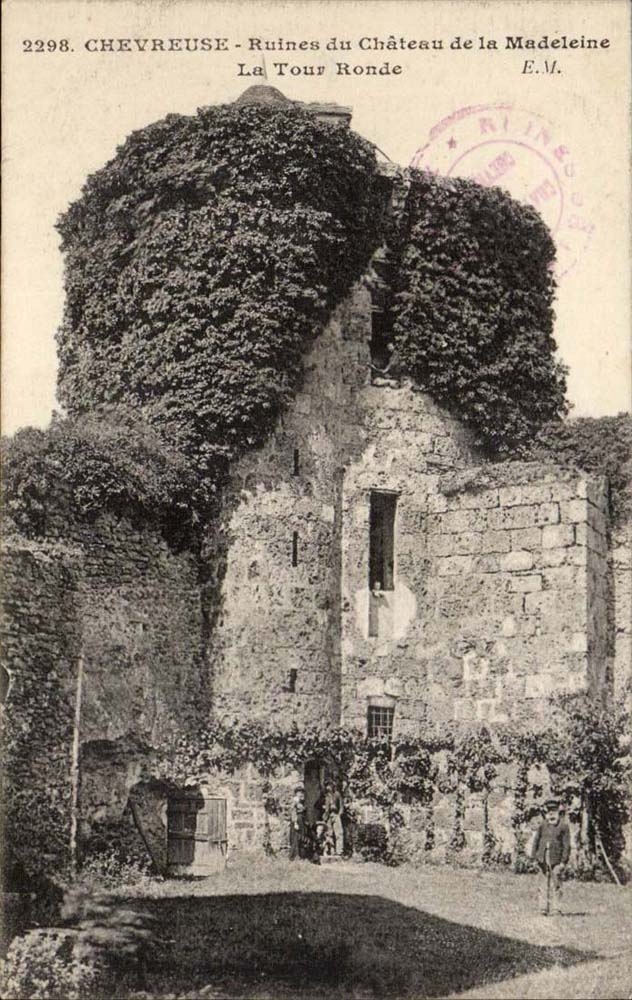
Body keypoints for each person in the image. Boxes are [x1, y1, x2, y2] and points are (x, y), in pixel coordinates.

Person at [530, 799, 571, 915]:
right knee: (543, 884)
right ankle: (543, 908)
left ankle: (556, 908)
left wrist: (563, 862)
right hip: (542, 858)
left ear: (558, 812)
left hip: (556, 860)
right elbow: (536, 841)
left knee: (556, 884)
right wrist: (534, 857)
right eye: (549, 811)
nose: (551, 813)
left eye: (554, 811)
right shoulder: (543, 825)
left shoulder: (563, 826)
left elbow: (566, 845)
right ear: (546, 813)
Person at [322, 780, 344, 857]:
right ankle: (330, 850)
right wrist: (324, 810)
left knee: (339, 833)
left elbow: (341, 806)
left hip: (336, 814)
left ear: (332, 786)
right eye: (327, 786)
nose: (328, 787)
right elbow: (319, 805)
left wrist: (339, 814)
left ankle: (339, 851)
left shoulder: (337, 794)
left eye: (329, 785)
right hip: (328, 815)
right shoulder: (325, 796)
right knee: (328, 833)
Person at [289, 785, 307, 861]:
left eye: (302, 792)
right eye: (299, 792)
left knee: (301, 837)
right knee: (296, 837)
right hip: (297, 820)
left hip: (301, 821)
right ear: (296, 794)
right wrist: (295, 823)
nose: (301, 794)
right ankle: (294, 856)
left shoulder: (300, 802)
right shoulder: (295, 801)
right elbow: (293, 811)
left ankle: (301, 855)